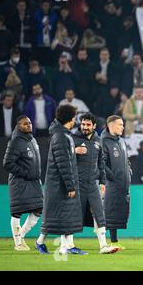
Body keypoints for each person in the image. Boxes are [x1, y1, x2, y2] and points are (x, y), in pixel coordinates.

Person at [36, 105, 87, 255]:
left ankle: (67, 247)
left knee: (64, 216)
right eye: (74, 116)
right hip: (59, 184)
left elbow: (65, 157)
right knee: (56, 217)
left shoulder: (63, 135)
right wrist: (70, 186)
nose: (75, 120)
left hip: (59, 183)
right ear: (70, 118)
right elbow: (63, 164)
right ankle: (41, 243)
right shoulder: (61, 136)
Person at [72, 113, 119, 254]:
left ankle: (103, 246)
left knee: (99, 213)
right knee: (73, 215)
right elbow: (61, 156)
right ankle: (66, 244)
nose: (85, 127)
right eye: (83, 124)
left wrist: (103, 181)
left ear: (94, 126)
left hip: (93, 184)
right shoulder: (72, 139)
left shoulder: (98, 140)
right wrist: (73, 151)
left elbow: (101, 163)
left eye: (88, 125)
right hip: (77, 184)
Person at [3, 115, 43, 251]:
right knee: (17, 212)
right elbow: (7, 164)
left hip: (34, 182)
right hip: (19, 182)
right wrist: (26, 173)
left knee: (39, 209)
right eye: (25, 124)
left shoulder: (32, 139)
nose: (29, 125)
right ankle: (18, 243)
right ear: (19, 126)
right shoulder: (15, 142)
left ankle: (22, 235)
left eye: (30, 123)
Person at [101, 115, 131, 250]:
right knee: (110, 211)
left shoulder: (122, 141)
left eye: (123, 124)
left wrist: (129, 170)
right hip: (112, 183)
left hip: (123, 182)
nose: (123, 127)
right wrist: (111, 176)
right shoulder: (104, 141)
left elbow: (126, 159)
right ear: (111, 126)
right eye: (120, 124)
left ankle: (114, 240)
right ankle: (110, 241)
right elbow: (101, 163)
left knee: (118, 211)